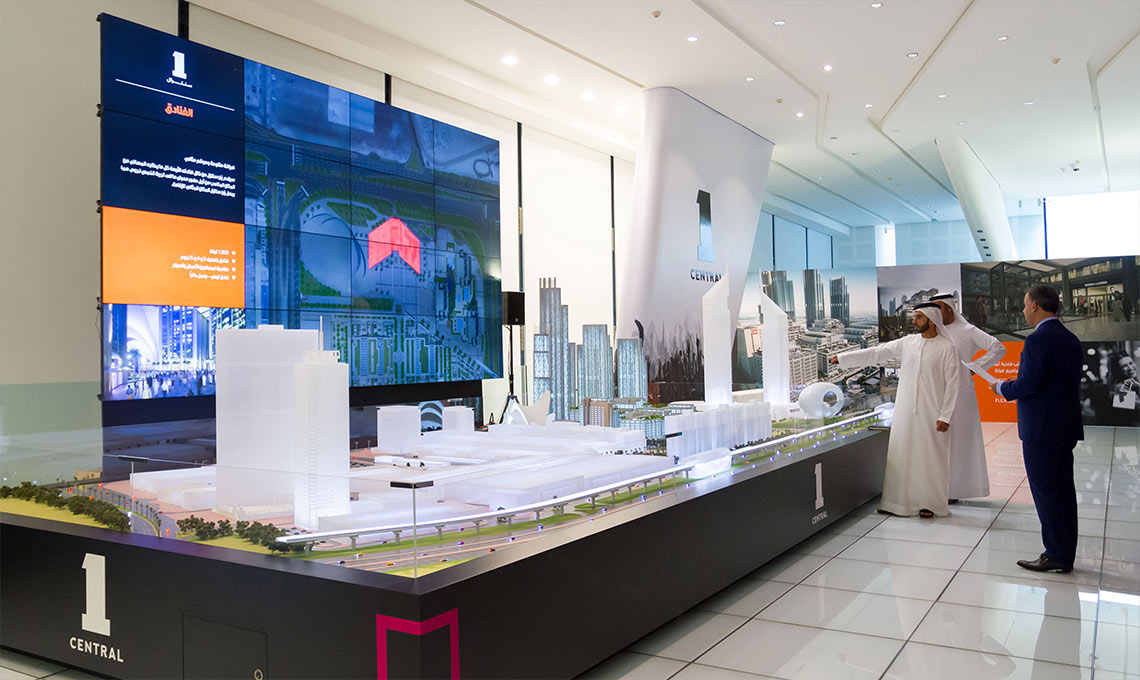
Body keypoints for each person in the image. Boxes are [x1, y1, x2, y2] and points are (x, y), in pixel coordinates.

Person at [832, 303, 960, 518]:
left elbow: (953, 384)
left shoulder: (947, 347)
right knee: (901, 455)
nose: (913, 321)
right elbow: (877, 353)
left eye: (918, 317)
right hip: (905, 411)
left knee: (932, 458)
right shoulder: (908, 342)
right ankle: (897, 504)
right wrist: (844, 359)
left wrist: (945, 415)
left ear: (931, 319)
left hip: (933, 413)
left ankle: (930, 504)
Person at [992, 285, 1083, 573]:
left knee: (1046, 491)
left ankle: (1055, 553)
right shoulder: (1070, 338)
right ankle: (1064, 552)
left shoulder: (1037, 341)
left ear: (1034, 306)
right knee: (1063, 491)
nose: (1022, 310)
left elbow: (1028, 385)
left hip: (1041, 430)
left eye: (1024, 304)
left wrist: (1001, 387)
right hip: (1064, 426)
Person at [929, 292, 1006, 502]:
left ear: (948, 308)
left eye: (938, 307)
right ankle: (937, 487)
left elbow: (998, 348)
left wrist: (975, 368)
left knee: (959, 441)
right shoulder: (935, 331)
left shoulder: (967, 330)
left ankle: (955, 490)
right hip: (936, 392)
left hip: (961, 393)